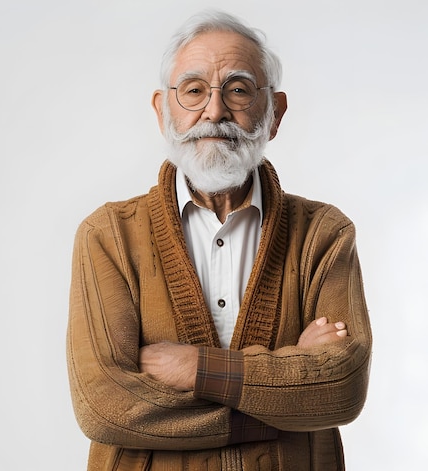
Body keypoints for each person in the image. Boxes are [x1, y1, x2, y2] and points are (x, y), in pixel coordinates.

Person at [67, 9, 371, 471]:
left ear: (274, 112)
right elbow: (106, 406)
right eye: (193, 91)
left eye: (238, 89)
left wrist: (194, 369)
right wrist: (282, 399)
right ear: (162, 110)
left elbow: (341, 387)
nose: (214, 111)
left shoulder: (323, 235)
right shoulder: (107, 236)